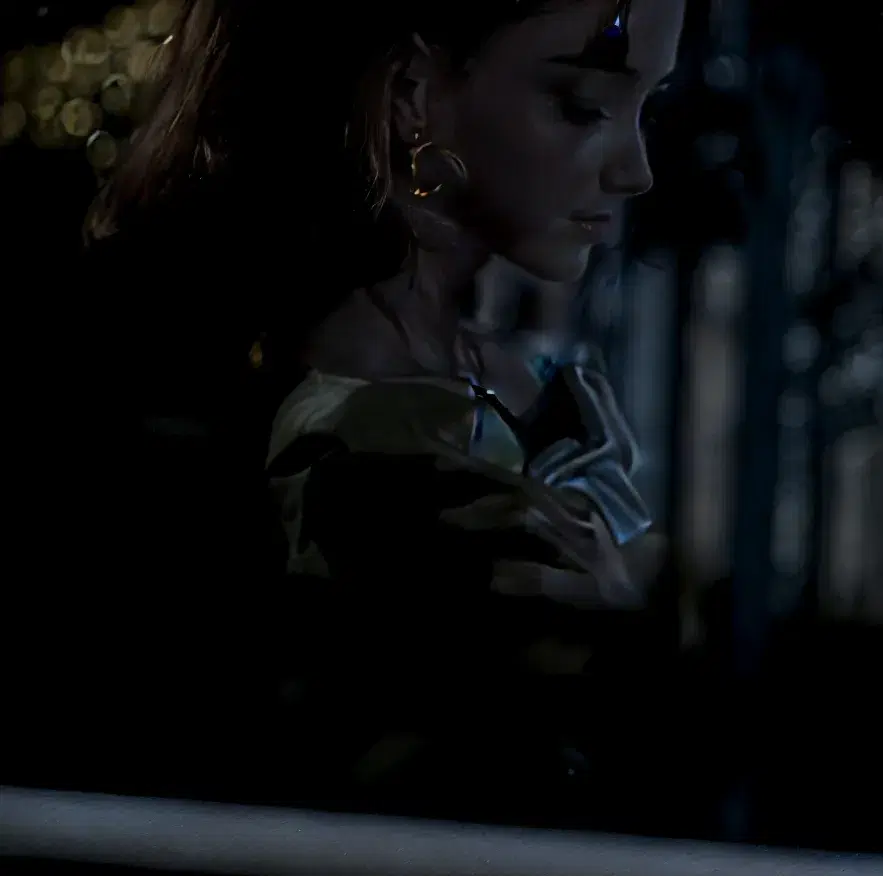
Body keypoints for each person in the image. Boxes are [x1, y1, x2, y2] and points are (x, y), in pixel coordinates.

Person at [72, 0, 685, 804]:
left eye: (650, 105)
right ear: (413, 96)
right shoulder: (346, 425)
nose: (636, 170)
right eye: (583, 105)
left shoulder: (502, 384)